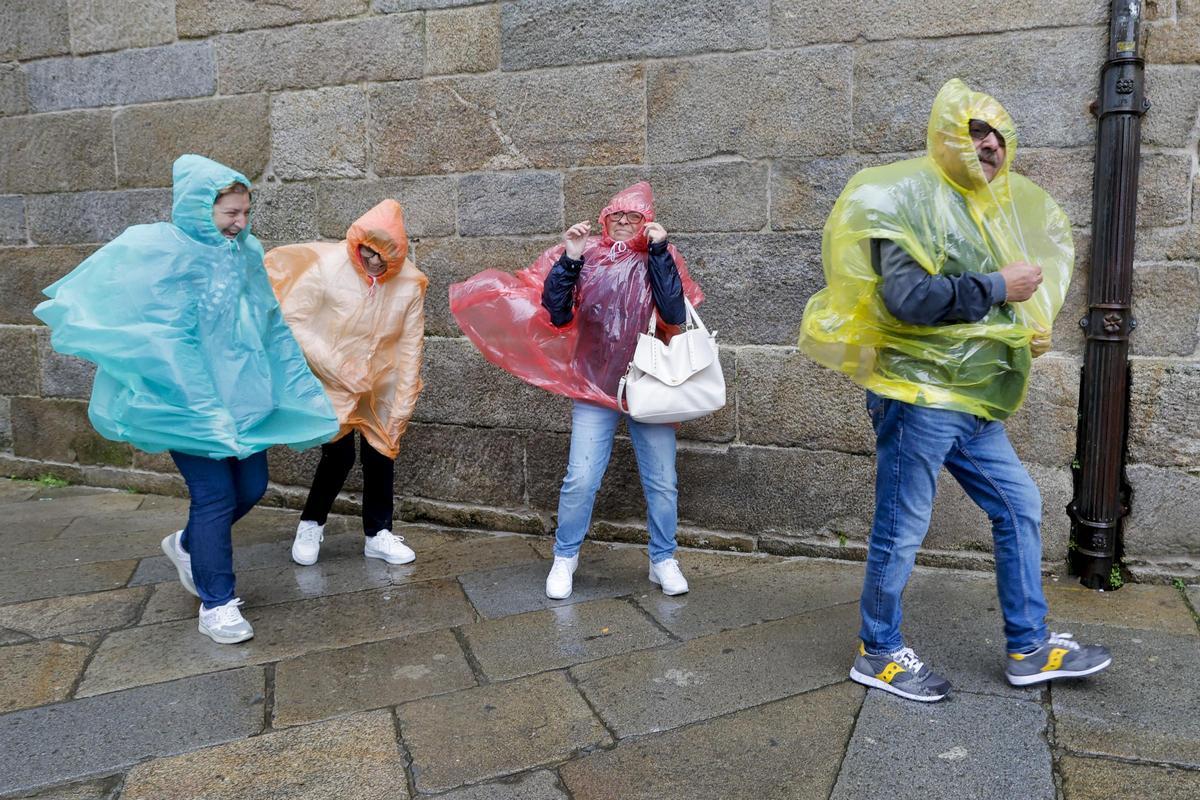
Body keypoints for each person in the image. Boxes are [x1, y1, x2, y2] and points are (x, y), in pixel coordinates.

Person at [798, 79, 1111, 701]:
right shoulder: (904, 198)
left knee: (1018, 504)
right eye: (973, 131)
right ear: (944, 137)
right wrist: (999, 287)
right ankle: (878, 651)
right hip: (917, 398)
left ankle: (1029, 647)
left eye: (997, 132)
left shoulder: (991, 211)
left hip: (970, 400)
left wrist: (1018, 331)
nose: (988, 143)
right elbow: (909, 300)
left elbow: (984, 301)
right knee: (902, 525)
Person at [35, 154, 339, 645]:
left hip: (242, 397)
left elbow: (270, 324)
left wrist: (296, 388)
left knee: (252, 487)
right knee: (215, 496)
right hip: (182, 399)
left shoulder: (246, 251)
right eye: (229, 214)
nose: (239, 223)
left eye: (245, 212)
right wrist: (200, 407)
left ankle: (189, 544)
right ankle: (217, 602)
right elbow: (169, 337)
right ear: (201, 209)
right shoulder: (164, 251)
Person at [450, 182, 703, 599]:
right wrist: (570, 256)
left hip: (652, 383)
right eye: (616, 214)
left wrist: (659, 253)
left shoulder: (663, 255)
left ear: (647, 221)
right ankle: (564, 557)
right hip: (594, 382)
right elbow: (556, 311)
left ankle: (663, 560)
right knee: (581, 478)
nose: (624, 221)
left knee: (661, 480)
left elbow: (675, 312)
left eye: (633, 216)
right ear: (604, 218)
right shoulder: (588, 257)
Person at [264, 199, 427, 566]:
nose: (371, 263)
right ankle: (311, 522)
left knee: (381, 452)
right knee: (338, 455)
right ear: (358, 244)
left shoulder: (410, 285)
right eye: (366, 253)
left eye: (380, 258)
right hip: (330, 377)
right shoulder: (329, 267)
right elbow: (295, 319)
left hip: (381, 383)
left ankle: (379, 533)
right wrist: (337, 367)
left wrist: (402, 402)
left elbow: (410, 345)